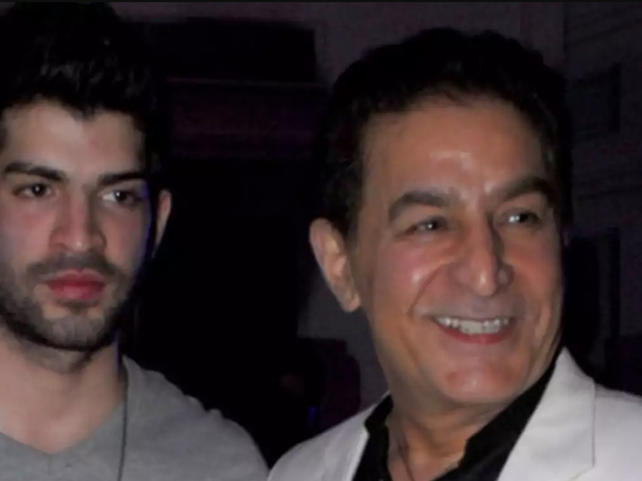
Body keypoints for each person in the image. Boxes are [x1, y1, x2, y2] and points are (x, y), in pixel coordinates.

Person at [0, 4, 266, 480]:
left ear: (157, 224)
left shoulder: (222, 467)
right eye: (38, 190)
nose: (80, 237)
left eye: (118, 195)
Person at [270, 28, 642, 481]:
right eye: (431, 225)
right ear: (340, 265)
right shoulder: (300, 473)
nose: (486, 272)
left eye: (520, 217)